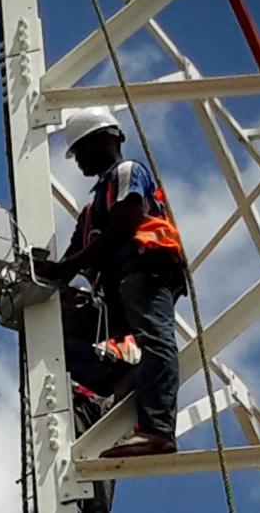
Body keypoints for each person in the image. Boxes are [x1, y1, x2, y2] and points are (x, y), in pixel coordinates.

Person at [36, 107, 186, 458]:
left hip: (144, 270)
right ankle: (119, 378)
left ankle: (157, 430)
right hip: (115, 291)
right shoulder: (91, 210)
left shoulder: (127, 172)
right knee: (55, 334)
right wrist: (49, 272)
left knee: (154, 339)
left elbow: (123, 228)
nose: (78, 161)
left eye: (82, 150)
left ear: (107, 138)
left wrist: (64, 269)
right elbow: (75, 255)